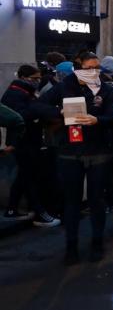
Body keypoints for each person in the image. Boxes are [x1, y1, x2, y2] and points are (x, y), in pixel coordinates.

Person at [36, 52, 113, 265]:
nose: (95, 72)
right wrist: (58, 111)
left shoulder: (106, 88)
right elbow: (37, 106)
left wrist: (97, 120)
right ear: (78, 68)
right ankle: (71, 246)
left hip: (98, 152)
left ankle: (97, 243)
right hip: (69, 152)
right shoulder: (63, 87)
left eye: (97, 67)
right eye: (90, 68)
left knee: (96, 200)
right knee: (71, 201)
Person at [2, 65, 59, 226]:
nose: (37, 81)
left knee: (24, 175)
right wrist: (39, 111)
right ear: (23, 77)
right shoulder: (15, 94)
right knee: (29, 177)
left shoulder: (27, 92)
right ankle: (39, 213)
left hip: (30, 139)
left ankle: (12, 208)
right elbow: (19, 116)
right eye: (34, 79)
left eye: (38, 78)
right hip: (22, 141)